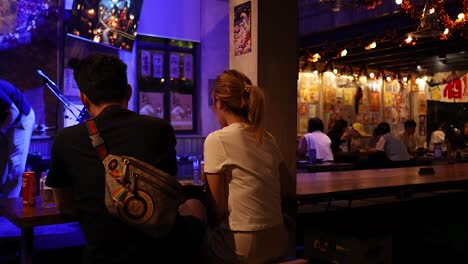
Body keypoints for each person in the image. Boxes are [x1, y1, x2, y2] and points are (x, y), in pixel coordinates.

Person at [45, 54, 206, 264]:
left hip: (100, 255)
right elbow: (167, 195)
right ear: (128, 92)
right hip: (159, 253)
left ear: (84, 98)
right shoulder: (159, 129)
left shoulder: (66, 139)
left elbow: (64, 204)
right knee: (195, 204)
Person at [203, 69, 294, 263]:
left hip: (243, 243)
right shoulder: (267, 137)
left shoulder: (216, 139)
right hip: (278, 238)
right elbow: (287, 188)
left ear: (218, 102)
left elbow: (217, 207)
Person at [0, 80, 35, 198]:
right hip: (6, 121)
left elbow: (14, 111)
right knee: (2, 166)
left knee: (16, 166)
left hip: (21, 119)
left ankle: (9, 212)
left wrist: (1, 131)